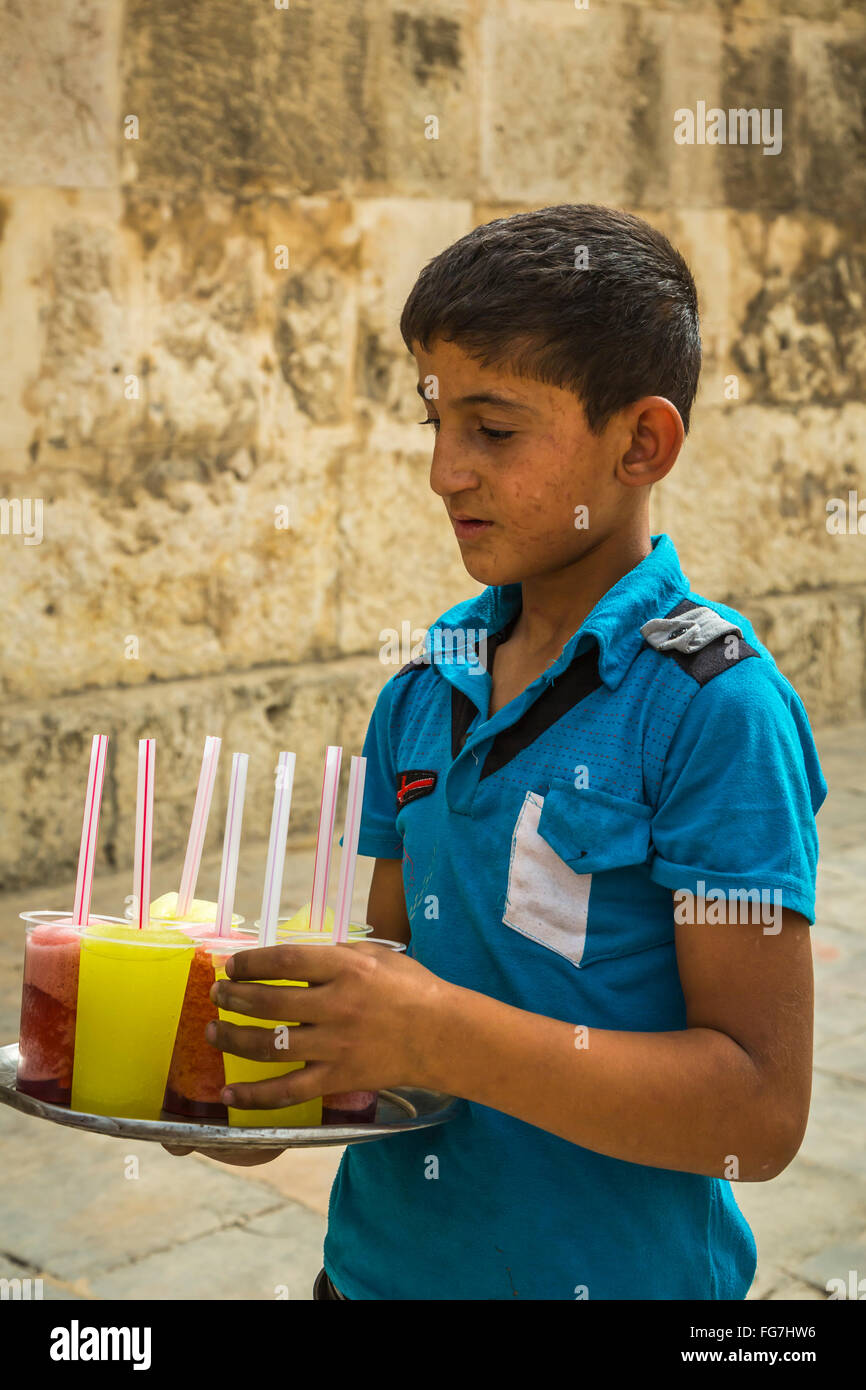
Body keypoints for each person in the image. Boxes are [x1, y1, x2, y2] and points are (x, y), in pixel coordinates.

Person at [167, 204, 827, 1300]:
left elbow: (754, 1115)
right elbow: (378, 1018)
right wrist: (248, 1092)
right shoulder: (422, 695)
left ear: (640, 443)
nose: (442, 472)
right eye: (433, 422)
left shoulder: (715, 711)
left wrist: (438, 1036)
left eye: (493, 429)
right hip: (370, 1277)